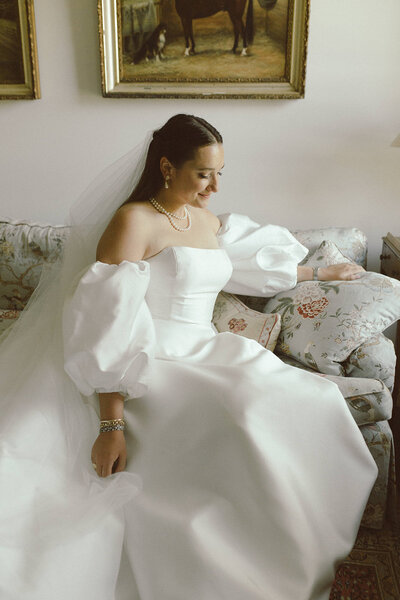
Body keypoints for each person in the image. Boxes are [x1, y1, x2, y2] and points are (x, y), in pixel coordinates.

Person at [0, 114, 376, 600]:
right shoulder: (132, 221)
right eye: (203, 174)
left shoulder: (206, 220)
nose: (215, 186)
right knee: (240, 408)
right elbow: (105, 324)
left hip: (208, 349)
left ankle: (277, 549)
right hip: (150, 360)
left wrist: (320, 273)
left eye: (221, 173)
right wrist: (110, 424)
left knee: (313, 398)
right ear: (166, 167)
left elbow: (239, 270)